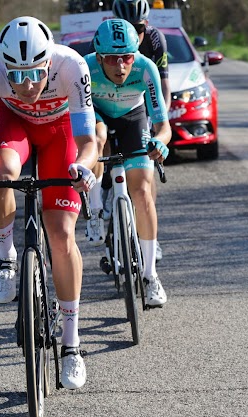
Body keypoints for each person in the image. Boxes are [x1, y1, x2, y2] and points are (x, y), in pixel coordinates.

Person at [0, 16, 98, 389]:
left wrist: (83, 169)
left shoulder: (73, 66)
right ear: (4, 66)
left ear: (48, 63)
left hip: (60, 134)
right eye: (16, 76)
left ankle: (71, 345)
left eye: (35, 74)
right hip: (14, 127)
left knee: (61, 234)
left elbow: (89, 145)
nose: (27, 85)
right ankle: (6, 259)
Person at [84, 18, 172, 306]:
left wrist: (160, 142)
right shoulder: (85, 68)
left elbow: (163, 125)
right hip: (97, 115)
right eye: (112, 58)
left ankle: (150, 276)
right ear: (99, 57)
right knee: (97, 140)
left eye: (127, 57)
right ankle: (96, 211)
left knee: (143, 192)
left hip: (133, 117)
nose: (121, 65)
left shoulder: (146, 68)